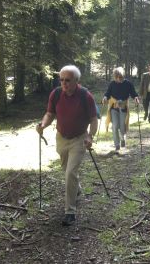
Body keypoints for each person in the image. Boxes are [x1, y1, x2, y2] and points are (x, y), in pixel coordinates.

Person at [36, 65, 98, 226]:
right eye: (61, 80)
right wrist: (43, 125)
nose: (64, 83)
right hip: (61, 138)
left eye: (67, 80)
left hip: (79, 138)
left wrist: (90, 136)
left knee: (70, 172)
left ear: (76, 81)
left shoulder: (86, 96)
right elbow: (50, 114)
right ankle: (76, 189)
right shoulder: (56, 94)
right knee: (67, 170)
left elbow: (93, 119)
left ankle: (70, 211)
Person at [102, 67, 139, 151]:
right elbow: (108, 93)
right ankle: (117, 144)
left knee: (122, 126)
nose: (118, 79)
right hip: (114, 107)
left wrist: (136, 98)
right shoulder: (112, 84)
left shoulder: (128, 84)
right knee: (115, 126)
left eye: (120, 77)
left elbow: (133, 93)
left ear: (123, 76)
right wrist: (105, 98)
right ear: (114, 77)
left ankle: (123, 138)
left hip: (123, 107)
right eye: (117, 77)